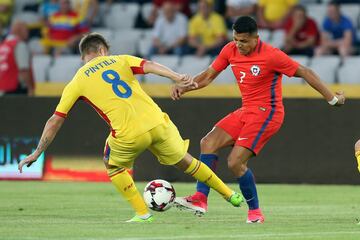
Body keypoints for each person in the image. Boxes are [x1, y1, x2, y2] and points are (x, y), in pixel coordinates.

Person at [18, 32, 244, 223]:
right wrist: (177, 77)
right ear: (103, 50)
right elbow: (151, 66)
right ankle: (230, 194)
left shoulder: (77, 81)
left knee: (113, 165)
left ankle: (142, 214)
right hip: (158, 122)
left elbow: (56, 119)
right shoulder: (121, 59)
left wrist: (37, 152)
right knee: (186, 161)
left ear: (83, 56)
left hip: (129, 134)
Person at [171, 16, 345, 224]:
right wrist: (185, 87)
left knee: (235, 162)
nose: (239, 45)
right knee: (208, 143)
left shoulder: (272, 55)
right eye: (236, 39)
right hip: (247, 110)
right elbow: (208, 76)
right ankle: (200, 199)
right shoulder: (230, 50)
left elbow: (305, 72)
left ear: (256, 39)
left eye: (243, 41)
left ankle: (255, 212)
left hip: (268, 113)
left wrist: (333, 99)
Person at [0, 20, 34, 96]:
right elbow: (24, 69)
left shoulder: (3, 45)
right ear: (19, 31)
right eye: (26, 30)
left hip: (3, 88)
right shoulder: (20, 45)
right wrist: (30, 88)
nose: (28, 33)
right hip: (16, 89)